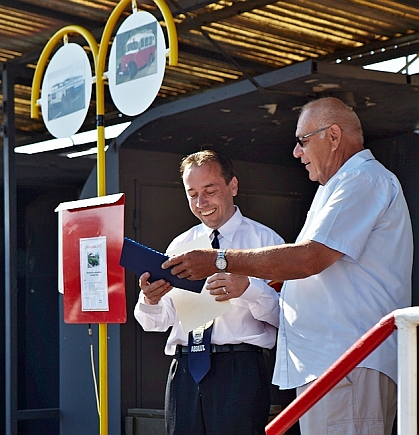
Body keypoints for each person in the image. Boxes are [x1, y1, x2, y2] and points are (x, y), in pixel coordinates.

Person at [163, 97, 413, 435]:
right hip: (330, 365)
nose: (296, 152)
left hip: (347, 363)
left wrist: (219, 260)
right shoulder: (338, 186)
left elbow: (310, 257)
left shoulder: (363, 180)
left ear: (334, 136)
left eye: (302, 141)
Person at [134, 150, 285, 435]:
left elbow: (287, 317)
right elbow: (156, 322)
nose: (201, 203)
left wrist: (248, 289)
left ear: (233, 187)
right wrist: (150, 299)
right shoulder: (180, 244)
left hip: (240, 370)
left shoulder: (266, 242)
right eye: (192, 194)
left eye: (210, 190)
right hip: (185, 369)